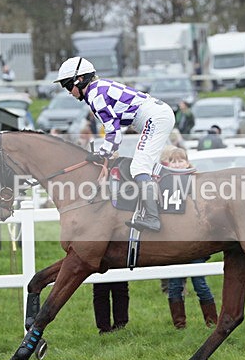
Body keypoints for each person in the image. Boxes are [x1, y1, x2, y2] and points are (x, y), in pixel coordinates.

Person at [53, 56, 175, 232]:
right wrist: (106, 151)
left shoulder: (95, 95)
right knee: (144, 166)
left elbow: (114, 133)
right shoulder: (97, 89)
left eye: (67, 85)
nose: (68, 92)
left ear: (79, 80)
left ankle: (152, 217)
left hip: (155, 117)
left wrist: (103, 152)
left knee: (139, 167)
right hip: (155, 115)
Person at [159, 147, 217, 328]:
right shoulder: (163, 183)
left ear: (187, 162)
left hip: (195, 242)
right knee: (174, 286)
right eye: (173, 161)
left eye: (180, 160)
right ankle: (179, 324)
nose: (177, 164)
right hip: (175, 243)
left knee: (200, 284)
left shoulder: (196, 182)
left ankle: (212, 322)